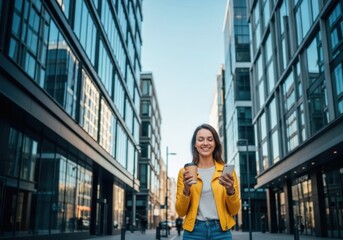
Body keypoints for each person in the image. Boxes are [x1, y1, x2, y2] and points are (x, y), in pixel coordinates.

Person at [175, 123, 241, 240]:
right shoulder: (185, 172)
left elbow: (234, 210)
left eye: (210, 139)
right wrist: (186, 190)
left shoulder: (226, 172)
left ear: (215, 144)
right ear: (195, 145)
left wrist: (231, 191)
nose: (205, 143)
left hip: (221, 231)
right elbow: (180, 211)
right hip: (193, 232)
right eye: (201, 140)